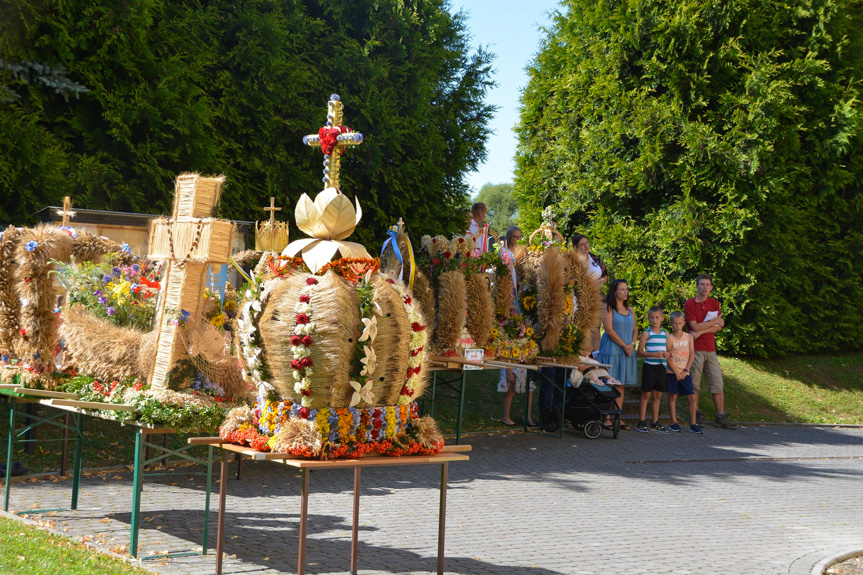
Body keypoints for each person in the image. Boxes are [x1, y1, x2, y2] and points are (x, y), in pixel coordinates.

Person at [684, 274, 738, 429]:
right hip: (695, 349)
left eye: (707, 284)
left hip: (711, 349)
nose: (705, 287)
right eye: (702, 284)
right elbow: (694, 327)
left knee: (717, 383)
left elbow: (719, 326)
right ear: (697, 286)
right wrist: (712, 323)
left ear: (711, 287)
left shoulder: (715, 303)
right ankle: (695, 415)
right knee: (694, 384)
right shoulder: (690, 304)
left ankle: (720, 417)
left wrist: (701, 331)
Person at [498, 226, 537, 427]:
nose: (517, 240)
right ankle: (507, 416)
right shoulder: (503, 252)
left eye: (519, 237)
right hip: (510, 291)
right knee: (512, 386)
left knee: (529, 387)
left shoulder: (521, 252)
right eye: (515, 237)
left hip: (518, 291)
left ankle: (527, 417)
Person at [597, 279, 638, 430]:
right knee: (610, 383)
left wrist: (632, 344)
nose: (626, 292)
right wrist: (624, 345)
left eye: (626, 289)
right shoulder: (608, 308)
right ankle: (606, 418)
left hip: (626, 352)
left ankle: (617, 417)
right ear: (614, 292)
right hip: (613, 350)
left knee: (621, 385)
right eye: (622, 289)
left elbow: (635, 330)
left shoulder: (630, 310)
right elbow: (609, 330)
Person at [665, 311, 702, 433]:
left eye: (680, 323)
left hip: (685, 372)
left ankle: (693, 423)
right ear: (671, 324)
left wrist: (685, 370)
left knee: (691, 396)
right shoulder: (669, 338)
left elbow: (691, 355)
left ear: (683, 323)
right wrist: (676, 372)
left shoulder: (689, 337)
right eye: (675, 323)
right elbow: (668, 357)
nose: (677, 326)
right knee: (673, 396)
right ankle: (674, 422)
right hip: (672, 372)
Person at [571, 233, 607, 356]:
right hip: (582, 296)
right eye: (582, 245)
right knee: (584, 327)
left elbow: (605, 276)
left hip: (597, 296)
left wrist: (599, 282)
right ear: (576, 247)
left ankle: (597, 358)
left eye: (587, 243)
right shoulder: (574, 262)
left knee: (596, 328)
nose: (586, 246)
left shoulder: (596, 259)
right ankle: (583, 355)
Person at [635, 306, 669, 432]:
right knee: (646, 393)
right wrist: (653, 354)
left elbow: (670, 350)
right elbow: (640, 352)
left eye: (657, 317)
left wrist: (668, 354)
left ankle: (655, 421)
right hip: (650, 366)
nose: (654, 320)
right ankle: (641, 421)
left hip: (661, 367)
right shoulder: (646, 333)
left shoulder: (666, 334)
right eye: (652, 317)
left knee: (658, 395)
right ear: (648, 319)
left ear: (662, 318)